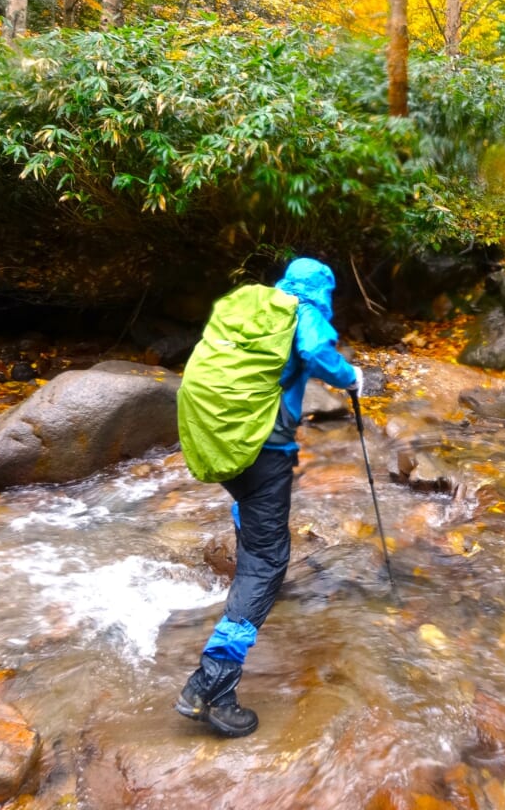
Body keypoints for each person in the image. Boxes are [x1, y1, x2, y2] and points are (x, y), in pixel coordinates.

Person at [175, 257, 363, 738]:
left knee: (254, 538)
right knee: (267, 563)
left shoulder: (248, 308)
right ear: (321, 291)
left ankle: (246, 547)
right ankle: (211, 686)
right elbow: (317, 352)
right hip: (265, 452)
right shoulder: (304, 314)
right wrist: (351, 379)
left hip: (220, 443)